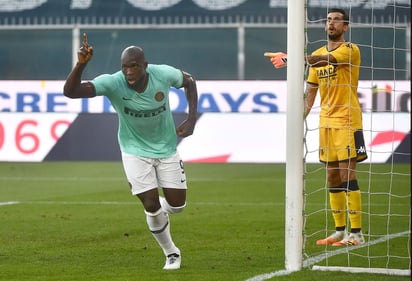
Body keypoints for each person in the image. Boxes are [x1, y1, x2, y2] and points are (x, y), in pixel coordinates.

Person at [63, 33, 198, 269]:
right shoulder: (113, 82)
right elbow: (71, 92)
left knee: (177, 205)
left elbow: (190, 82)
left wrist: (191, 119)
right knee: (150, 204)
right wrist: (81, 64)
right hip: (133, 150)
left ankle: (158, 214)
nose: (128, 72)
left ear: (145, 66)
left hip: (166, 148)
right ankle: (171, 253)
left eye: (134, 67)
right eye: (124, 67)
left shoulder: (163, 74)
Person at [267, 8, 367, 246]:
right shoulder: (316, 53)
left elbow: (328, 60)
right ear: (325, 26)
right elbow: (310, 92)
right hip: (326, 123)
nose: (331, 24)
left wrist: (290, 58)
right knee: (332, 176)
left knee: (347, 174)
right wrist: (298, 118)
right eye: (328, 20)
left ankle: (357, 234)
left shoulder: (350, 50)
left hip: (348, 121)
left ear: (345, 27)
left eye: (337, 21)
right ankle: (340, 231)